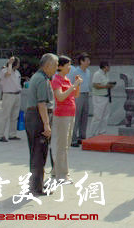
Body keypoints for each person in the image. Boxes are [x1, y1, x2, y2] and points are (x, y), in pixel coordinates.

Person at [25, 53, 58, 196]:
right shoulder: (42, 79)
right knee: (39, 152)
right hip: (38, 118)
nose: (56, 68)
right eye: (56, 65)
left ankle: (35, 184)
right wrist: (46, 124)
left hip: (33, 116)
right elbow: (42, 103)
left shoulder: (38, 77)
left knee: (35, 152)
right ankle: (37, 187)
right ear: (48, 65)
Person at [50, 56, 82, 184]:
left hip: (70, 113)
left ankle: (55, 170)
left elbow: (76, 95)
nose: (70, 67)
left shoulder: (67, 79)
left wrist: (77, 85)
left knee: (66, 144)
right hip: (62, 115)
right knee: (62, 145)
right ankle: (62, 175)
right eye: (68, 65)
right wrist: (73, 85)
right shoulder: (56, 80)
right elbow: (60, 97)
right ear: (60, 67)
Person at [0, 56, 22, 142]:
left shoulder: (17, 72)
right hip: (8, 94)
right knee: (5, 115)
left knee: (15, 116)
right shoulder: (4, 71)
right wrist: (10, 63)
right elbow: (8, 74)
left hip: (17, 94)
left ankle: (12, 134)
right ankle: (1, 135)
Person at [69, 53, 91, 147]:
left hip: (86, 94)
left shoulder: (88, 71)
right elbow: (70, 83)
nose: (89, 62)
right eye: (87, 60)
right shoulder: (75, 72)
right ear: (81, 61)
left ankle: (82, 136)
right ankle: (73, 138)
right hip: (78, 95)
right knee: (76, 116)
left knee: (84, 116)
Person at [89, 61, 114, 137]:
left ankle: (102, 132)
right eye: (108, 66)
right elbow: (95, 85)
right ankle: (92, 134)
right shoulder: (97, 74)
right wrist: (106, 86)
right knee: (98, 116)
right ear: (105, 66)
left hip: (106, 96)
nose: (109, 68)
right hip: (99, 97)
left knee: (105, 116)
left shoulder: (106, 74)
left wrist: (110, 85)